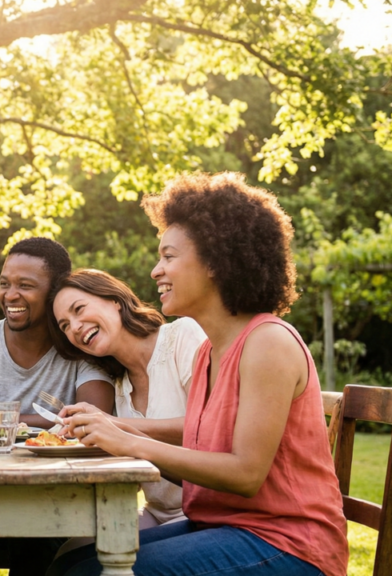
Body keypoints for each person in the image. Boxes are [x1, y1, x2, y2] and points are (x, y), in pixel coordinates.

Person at [50, 173, 348, 576]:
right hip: (227, 526)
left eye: (169, 257)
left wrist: (128, 440)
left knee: (86, 575)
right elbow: (197, 454)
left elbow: (245, 473)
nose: (156, 271)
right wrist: (115, 433)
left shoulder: (268, 342)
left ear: (215, 260)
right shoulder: (209, 351)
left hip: (288, 543)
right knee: (68, 562)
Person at [0, 238, 114, 576]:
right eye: (4, 283)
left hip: (55, 500)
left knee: (36, 545)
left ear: (55, 293)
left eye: (25, 286)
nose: (10, 295)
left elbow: (96, 416)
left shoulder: (78, 345)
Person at [49, 269, 206, 554]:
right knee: (64, 555)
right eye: (64, 326)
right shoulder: (119, 385)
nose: (74, 327)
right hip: (158, 513)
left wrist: (113, 425)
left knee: (86, 568)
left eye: (79, 309)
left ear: (114, 300)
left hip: (206, 514)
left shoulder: (182, 335)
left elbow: (209, 427)